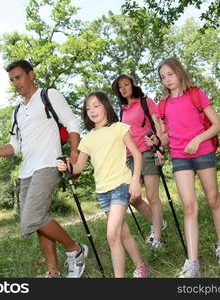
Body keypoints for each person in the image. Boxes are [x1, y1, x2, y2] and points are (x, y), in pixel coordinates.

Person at [0, 59, 88, 278]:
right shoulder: (17, 111)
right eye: (12, 80)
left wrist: (74, 155)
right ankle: (53, 272)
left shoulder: (48, 95)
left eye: (18, 77)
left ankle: (75, 249)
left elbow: (72, 123)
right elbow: (16, 145)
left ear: (31, 75)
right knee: (38, 220)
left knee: (31, 219)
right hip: (27, 170)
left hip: (49, 164)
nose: (15, 83)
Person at [57, 91, 149, 278]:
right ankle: (141, 266)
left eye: (96, 105)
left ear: (106, 106)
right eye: (88, 107)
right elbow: (78, 168)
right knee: (122, 232)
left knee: (112, 235)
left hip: (121, 186)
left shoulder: (118, 128)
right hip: (102, 192)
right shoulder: (88, 138)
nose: (92, 110)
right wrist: (66, 164)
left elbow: (137, 154)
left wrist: (135, 181)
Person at [154, 57, 220, 278]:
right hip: (180, 157)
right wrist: (158, 143)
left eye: (170, 74)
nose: (167, 79)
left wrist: (197, 140)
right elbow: (167, 136)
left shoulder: (196, 94)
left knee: (213, 199)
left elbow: (217, 125)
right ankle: (193, 263)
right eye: (163, 77)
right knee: (189, 207)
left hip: (204, 151)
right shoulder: (163, 105)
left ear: (179, 73)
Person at [111, 74, 167, 250]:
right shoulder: (122, 109)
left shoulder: (146, 102)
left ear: (133, 85)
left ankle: (157, 239)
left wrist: (160, 147)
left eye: (126, 84)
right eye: (120, 87)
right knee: (133, 197)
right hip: (130, 156)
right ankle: (158, 222)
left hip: (148, 152)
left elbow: (158, 125)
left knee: (152, 196)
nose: (124, 89)